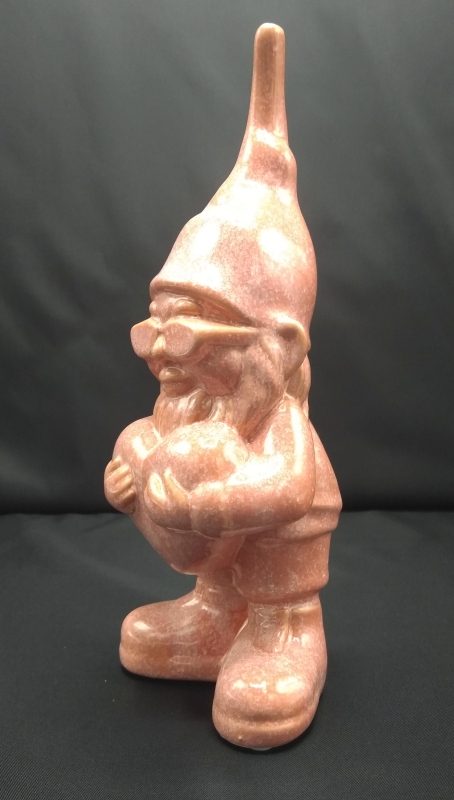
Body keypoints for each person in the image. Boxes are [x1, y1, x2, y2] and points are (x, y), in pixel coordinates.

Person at [105, 23, 341, 749]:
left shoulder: (278, 418)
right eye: (153, 332)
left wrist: (213, 504)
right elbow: (162, 462)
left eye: (185, 336)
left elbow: (289, 489)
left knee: (276, 560)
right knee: (149, 447)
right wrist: (135, 479)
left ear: (278, 345)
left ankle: (282, 633)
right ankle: (217, 616)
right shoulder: (193, 406)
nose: (162, 356)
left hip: (280, 546)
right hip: (216, 545)